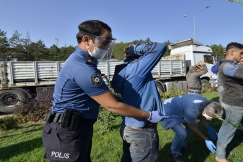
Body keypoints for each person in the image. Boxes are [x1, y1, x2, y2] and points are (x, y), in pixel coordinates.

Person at [41, 20, 168, 162]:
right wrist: (148, 115)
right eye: (105, 42)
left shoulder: (84, 61)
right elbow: (111, 105)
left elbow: (107, 97)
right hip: (66, 133)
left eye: (109, 43)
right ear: (87, 40)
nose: (108, 48)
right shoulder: (82, 67)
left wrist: (127, 105)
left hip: (74, 128)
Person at [111, 42, 167, 162]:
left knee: (127, 158)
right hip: (143, 131)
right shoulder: (136, 70)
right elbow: (160, 47)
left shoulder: (123, 71)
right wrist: (134, 49)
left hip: (128, 127)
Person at [161, 94, 223, 162]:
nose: (212, 118)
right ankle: (175, 152)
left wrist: (208, 127)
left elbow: (200, 114)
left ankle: (182, 145)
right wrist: (206, 139)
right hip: (168, 110)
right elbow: (191, 127)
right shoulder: (192, 109)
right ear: (204, 110)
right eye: (211, 116)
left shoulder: (206, 103)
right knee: (181, 133)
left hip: (179, 109)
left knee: (194, 126)